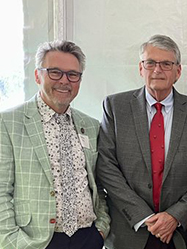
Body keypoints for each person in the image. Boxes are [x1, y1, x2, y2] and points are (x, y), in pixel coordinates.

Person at [96, 34, 187, 249]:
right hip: (128, 232)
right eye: (150, 62)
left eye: (166, 64)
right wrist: (143, 216)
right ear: (141, 68)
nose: (157, 70)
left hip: (176, 234)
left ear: (178, 71)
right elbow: (106, 167)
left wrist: (174, 216)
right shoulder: (115, 107)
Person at [0, 40, 110, 249]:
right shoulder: (8, 122)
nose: (64, 81)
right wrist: (14, 242)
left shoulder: (91, 125)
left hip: (88, 239)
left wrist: (101, 229)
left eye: (72, 74)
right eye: (55, 72)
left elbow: (100, 184)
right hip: (36, 242)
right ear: (37, 75)